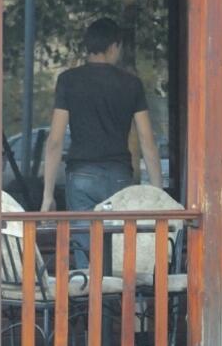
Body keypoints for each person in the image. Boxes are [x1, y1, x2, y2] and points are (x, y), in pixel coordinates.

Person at [41, 18, 162, 264]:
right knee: (119, 255)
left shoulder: (68, 81)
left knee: (87, 258)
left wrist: (47, 195)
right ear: (114, 46)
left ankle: (90, 288)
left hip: (81, 176)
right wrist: (158, 193)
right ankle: (116, 290)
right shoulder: (131, 84)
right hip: (119, 177)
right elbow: (147, 140)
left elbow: (54, 141)